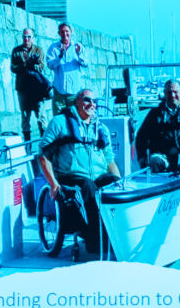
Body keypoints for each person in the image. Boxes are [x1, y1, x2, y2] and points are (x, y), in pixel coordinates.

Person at [38, 88, 120, 253]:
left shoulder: (100, 128)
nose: (92, 104)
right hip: (71, 176)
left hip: (98, 175)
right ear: (77, 101)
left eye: (94, 101)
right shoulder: (60, 123)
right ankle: (94, 241)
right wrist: (53, 184)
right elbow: (43, 155)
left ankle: (116, 235)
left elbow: (109, 159)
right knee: (88, 186)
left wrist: (119, 182)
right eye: (87, 100)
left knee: (114, 185)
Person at [135, 79, 180, 172]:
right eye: (169, 93)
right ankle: (159, 184)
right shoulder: (155, 113)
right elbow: (141, 136)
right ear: (165, 94)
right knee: (154, 161)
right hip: (163, 156)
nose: (172, 96)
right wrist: (141, 157)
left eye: (175, 92)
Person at [10, 28, 50, 140]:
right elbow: (13, 68)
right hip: (23, 87)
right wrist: (24, 64)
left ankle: (45, 145)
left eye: (29, 37)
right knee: (25, 116)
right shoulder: (17, 50)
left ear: (33, 38)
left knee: (41, 116)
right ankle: (27, 145)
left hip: (37, 88)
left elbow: (41, 67)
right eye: (24, 36)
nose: (26, 39)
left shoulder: (38, 50)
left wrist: (30, 63)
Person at [46, 23, 87, 113]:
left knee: (74, 119)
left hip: (74, 92)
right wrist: (59, 57)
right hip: (59, 91)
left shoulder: (78, 47)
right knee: (58, 119)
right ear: (59, 33)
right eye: (62, 32)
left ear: (71, 32)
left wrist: (79, 54)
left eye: (67, 31)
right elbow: (50, 65)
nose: (65, 34)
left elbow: (86, 64)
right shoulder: (53, 48)